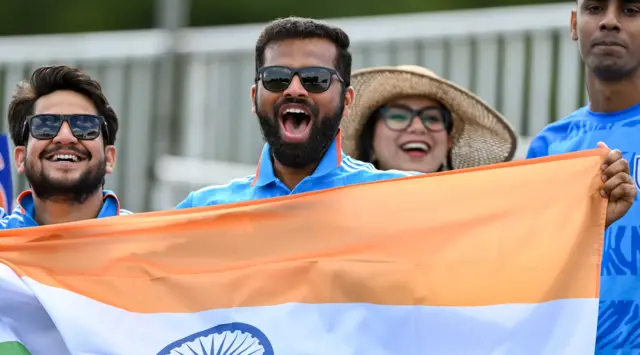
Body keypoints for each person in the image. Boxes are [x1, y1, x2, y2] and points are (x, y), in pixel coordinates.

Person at [177, 16, 634, 234]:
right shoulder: (200, 212)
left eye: (315, 79)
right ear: (255, 94)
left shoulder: (409, 202)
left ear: (347, 99)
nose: (295, 89)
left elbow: (502, 262)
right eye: (277, 78)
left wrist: (587, 222)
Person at [526, 0, 639, 351]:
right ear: (575, 24)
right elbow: (531, 265)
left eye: (631, 10)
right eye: (594, 8)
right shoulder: (548, 146)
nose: (609, 22)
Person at [2, 65, 131, 228]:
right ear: (20, 158)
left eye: (84, 125)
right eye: (45, 125)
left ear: (109, 158)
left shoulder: (153, 245)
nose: (65, 137)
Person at [340, 65, 517, 172]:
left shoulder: (474, 211)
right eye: (399, 116)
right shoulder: (339, 210)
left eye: (432, 118)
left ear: (449, 141)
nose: (418, 127)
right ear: (369, 139)